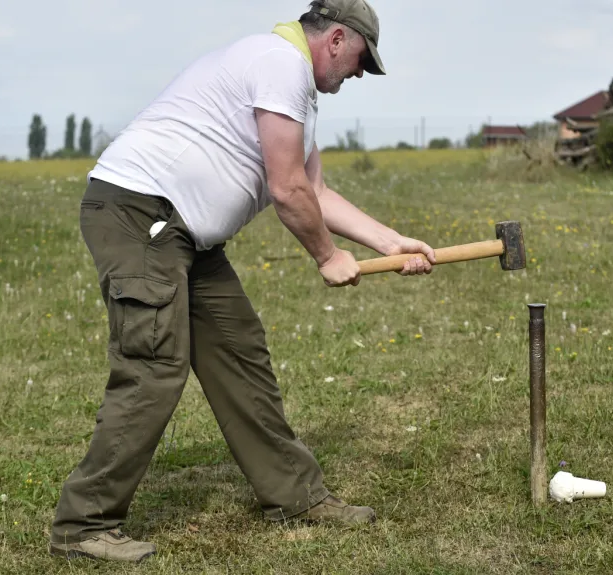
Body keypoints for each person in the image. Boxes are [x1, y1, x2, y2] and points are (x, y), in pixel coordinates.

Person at [48, 0, 437, 564]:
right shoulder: (278, 63)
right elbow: (286, 190)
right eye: (359, 61)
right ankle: (83, 524)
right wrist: (327, 258)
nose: (357, 74)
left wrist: (389, 241)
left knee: (238, 351)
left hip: (186, 234)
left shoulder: (293, 88)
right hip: (141, 215)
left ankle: (295, 495)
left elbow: (316, 192)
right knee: (155, 362)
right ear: (334, 39)